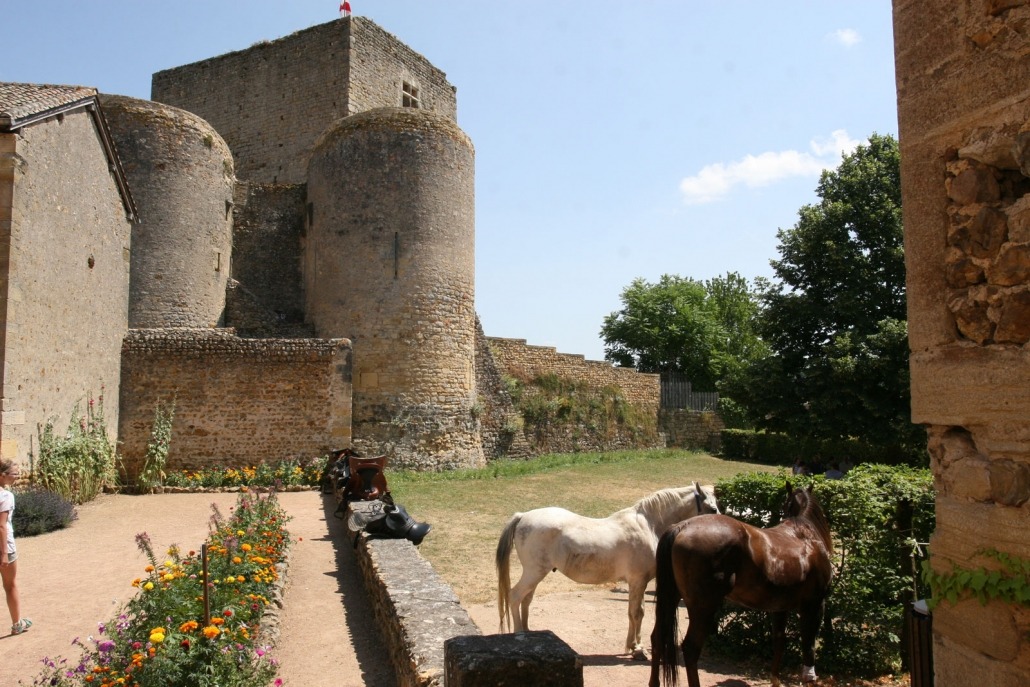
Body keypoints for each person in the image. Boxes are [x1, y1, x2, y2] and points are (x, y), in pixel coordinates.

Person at [0, 458, 31, 635]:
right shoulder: (5, 496)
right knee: (10, 585)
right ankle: (17, 624)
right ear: (2, 475)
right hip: (5, 548)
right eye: (14, 474)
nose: (17, 477)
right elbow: (2, 526)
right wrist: (4, 554)